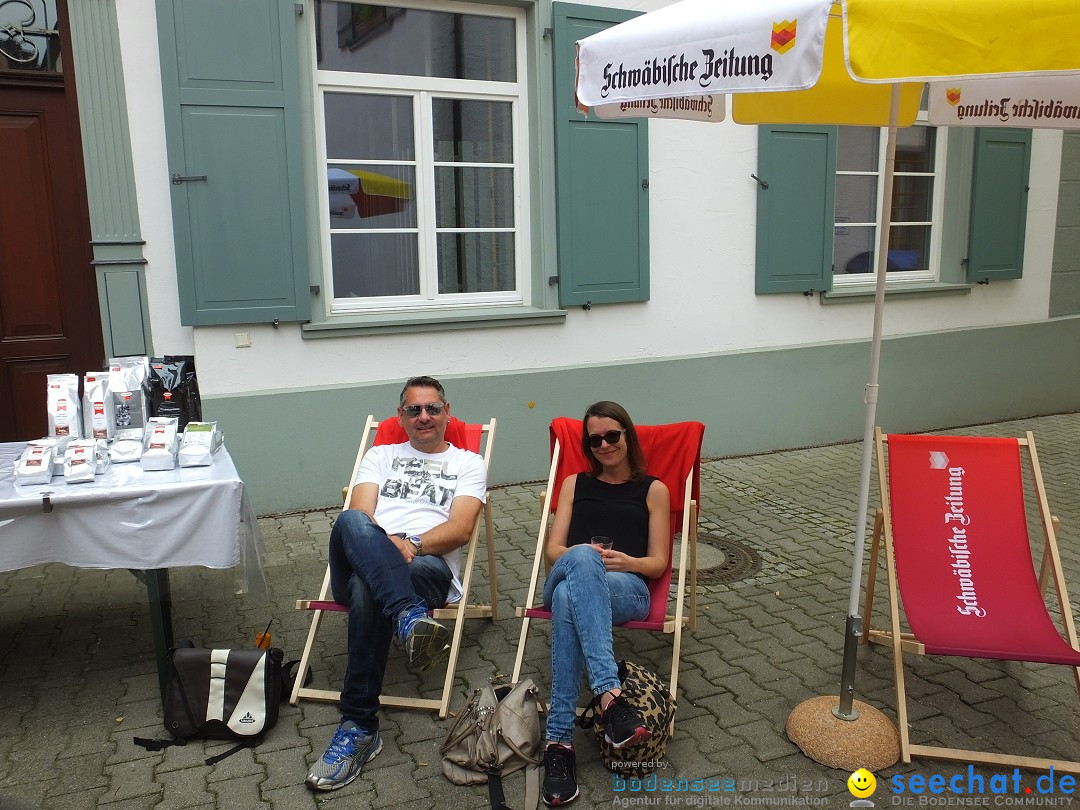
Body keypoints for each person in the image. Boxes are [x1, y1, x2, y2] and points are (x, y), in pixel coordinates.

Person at [305, 376, 487, 793]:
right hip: (367, 558)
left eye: (432, 408)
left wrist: (413, 543)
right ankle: (408, 617)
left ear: (447, 413)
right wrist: (388, 549)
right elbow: (361, 517)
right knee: (350, 520)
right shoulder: (380, 455)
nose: (424, 416)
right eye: (414, 410)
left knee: (370, 590)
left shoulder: (467, 464)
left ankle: (358, 727)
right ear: (400, 417)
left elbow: (460, 529)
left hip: (427, 567)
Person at [540, 401, 671, 806]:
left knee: (566, 599)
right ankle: (610, 698)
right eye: (594, 440)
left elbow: (659, 562)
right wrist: (584, 556)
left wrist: (628, 561)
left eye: (612, 435)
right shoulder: (574, 484)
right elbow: (553, 550)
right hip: (570, 573)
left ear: (628, 435)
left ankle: (558, 743)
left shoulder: (654, 489)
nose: (604, 445)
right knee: (578, 559)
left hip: (628, 587)